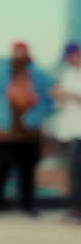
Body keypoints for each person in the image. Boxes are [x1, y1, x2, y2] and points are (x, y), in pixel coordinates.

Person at [0, 40, 55, 216]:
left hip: (29, 131)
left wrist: (37, 116)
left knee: (27, 171)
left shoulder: (38, 76)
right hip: (3, 131)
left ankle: (28, 205)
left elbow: (50, 97)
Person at [51, 41, 81, 221]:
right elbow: (62, 100)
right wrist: (58, 95)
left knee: (77, 170)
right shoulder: (68, 74)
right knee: (72, 170)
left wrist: (69, 95)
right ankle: (74, 207)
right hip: (70, 130)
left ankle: (76, 208)